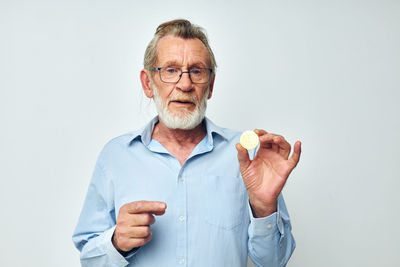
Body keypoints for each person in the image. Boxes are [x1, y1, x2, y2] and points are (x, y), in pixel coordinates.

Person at [72, 19, 301, 267]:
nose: (185, 84)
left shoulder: (249, 157)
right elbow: (89, 260)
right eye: (170, 70)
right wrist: (116, 242)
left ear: (210, 85)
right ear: (148, 83)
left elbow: (274, 262)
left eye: (197, 71)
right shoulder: (115, 156)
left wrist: (264, 208)